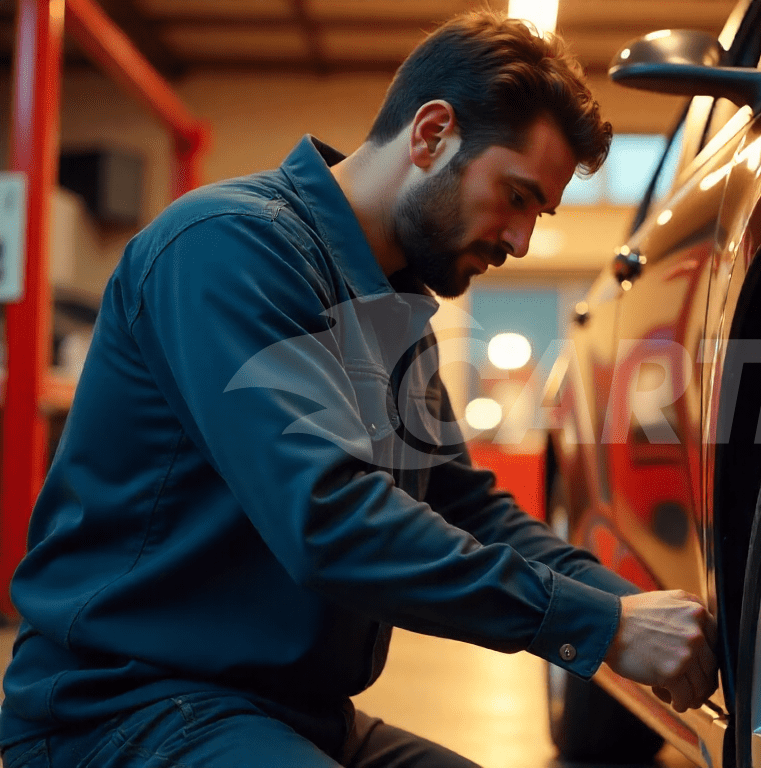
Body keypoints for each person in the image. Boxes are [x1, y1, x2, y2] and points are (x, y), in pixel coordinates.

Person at [0, 11, 718, 768]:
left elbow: (468, 507)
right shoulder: (228, 251)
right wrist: (596, 626)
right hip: (128, 709)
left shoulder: (392, 314)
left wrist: (630, 609)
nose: (521, 241)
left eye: (538, 213)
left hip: (297, 715)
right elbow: (330, 519)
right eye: (515, 196)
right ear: (431, 134)